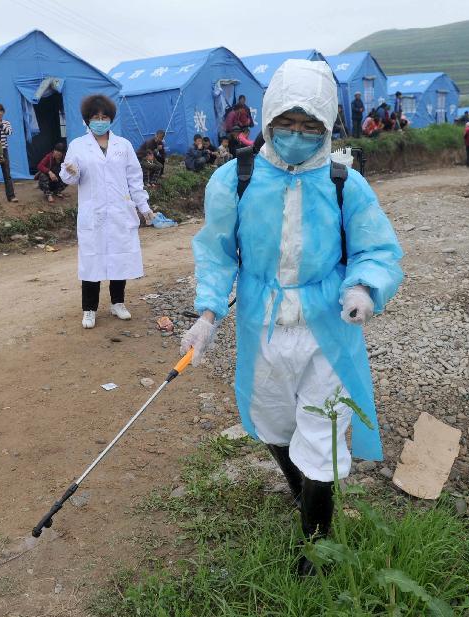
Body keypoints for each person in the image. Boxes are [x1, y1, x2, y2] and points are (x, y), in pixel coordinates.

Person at [182, 59, 402, 577]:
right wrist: (209, 312)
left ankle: (316, 547)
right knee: (273, 419)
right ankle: (299, 488)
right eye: (287, 123)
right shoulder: (234, 180)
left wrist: (366, 288)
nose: (298, 135)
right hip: (261, 324)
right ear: (266, 120)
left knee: (323, 428)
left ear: (327, 127)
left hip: (328, 328)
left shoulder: (345, 183)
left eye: (311, 126)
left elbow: (377, 248)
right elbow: (216, 253)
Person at [59, 94, 155, 329]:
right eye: (95, 117)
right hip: (94, 213)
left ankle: (117, 302)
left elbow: (134, 178)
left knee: (118, 257)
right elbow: (69, 178)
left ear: (111, 119)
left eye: (104, 117)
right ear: (87, 120)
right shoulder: (78, 146)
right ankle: (89, 309)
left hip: (119, 211)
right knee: (92, 261)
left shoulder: (123, 145)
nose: (100, 121)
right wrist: (70, 170)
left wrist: (144, 207)